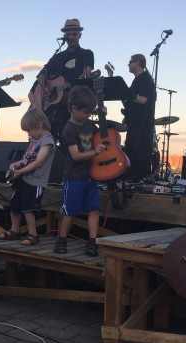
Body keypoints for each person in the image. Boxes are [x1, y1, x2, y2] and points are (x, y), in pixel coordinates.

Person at [54, 85, 106, 257]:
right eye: (86, 112)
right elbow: (75, 156)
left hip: (91, 175)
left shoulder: (89, 123)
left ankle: (92, 242)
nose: (88, 116)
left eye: (91, 112)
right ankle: (62, 239)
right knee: (69, 211)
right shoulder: (69, 130)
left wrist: (103, 116)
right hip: (74, 176)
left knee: (94, 209)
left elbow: (103, 135)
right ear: (74, 108)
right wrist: (93, 152)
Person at [0, 108, 56, 245]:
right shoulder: (35, 139)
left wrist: (19, 172)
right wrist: (17, 164)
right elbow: (27, 159)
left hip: (35, 180)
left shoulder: (47, 140)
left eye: (30, 130)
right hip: (24, 177)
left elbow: (38, 162)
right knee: (15, 204)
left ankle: (33, 235)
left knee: (28, 207)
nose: (29, 134)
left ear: (40, 124)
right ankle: (14, 230)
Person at [36, 18, 94, 146]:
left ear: (80, 35)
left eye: (74, 34)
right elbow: (41, 76)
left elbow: (87, 72)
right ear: (64, 36)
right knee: (47, 140)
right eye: (68, 34)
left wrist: (84, 76)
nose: (71, 37)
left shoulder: (86, 54)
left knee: (66, 139)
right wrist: (46, 88)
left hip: (74, 103)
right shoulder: (58, 57)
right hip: (54, 106)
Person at [122, 54, 156, 180]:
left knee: (140, 149)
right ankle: (131, 176)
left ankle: (140, 177)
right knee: (131, 148)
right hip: (134, 120)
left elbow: (142, 100)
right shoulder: (136, 80)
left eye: (131, 61)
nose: (128, 64)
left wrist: (126, 93)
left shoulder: (145, 79)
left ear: (138, 63)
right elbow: (130, 102)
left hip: (142, 122)